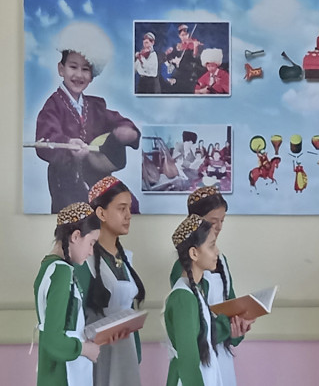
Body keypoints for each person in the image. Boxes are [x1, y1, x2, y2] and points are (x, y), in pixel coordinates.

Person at [35, 21, 141, 213]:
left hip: (99, 177)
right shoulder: (53, 106)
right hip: (67, 183)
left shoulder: (97, 106)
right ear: (61, 69)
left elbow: (120, 122)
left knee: (130, 205)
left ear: (92, 75)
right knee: (80, 218)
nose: (79, 74)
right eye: (73, 67)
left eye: (85, 69)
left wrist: (128, 132)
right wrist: (68, 145)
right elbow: (45, 140)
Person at [169, 186, 254, 386]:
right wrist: (226, 327)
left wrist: (237, 328)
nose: (219, 227)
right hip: (199, 361)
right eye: (213, 221)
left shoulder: (220, 261)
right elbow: (192, 340)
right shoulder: (183, 286)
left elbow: (230, 305)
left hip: (219, 357)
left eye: (222, 221)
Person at [75, 176, 146, 386]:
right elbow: (77, 318)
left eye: (129, 208)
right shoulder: (85, 261)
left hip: (126, 349)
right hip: (99, 355)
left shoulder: (126, 258)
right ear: (101, 213)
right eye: (122, 208)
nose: (129, 215)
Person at [34, 202, 101, 386]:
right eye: (91, 243)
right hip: (64, 375)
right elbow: (54, 340)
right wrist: (86, 349)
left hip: (54, 370)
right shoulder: (61, 272)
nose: (91, 252)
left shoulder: (49, 266)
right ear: (76, 236)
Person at [165, 214, 223, 386]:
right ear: (194, 253)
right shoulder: (182, 298)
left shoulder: (196, 290)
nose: (217, 251)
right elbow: (188, 361)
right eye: (211, 246)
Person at [165, 23, 204, 93]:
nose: (184, 37)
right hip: (179, 73)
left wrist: (195, 46)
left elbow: (195, 57)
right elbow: (170, 59)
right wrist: (173, 60)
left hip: (190, 72)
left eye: (186, 35)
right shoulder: (177, 46)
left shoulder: (193, 44)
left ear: (189, 34)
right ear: (179, 36)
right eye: (182, 35)